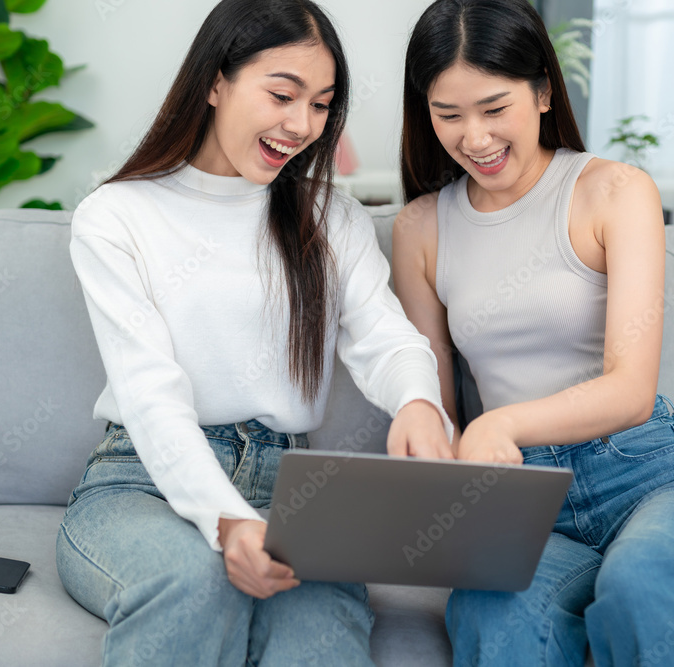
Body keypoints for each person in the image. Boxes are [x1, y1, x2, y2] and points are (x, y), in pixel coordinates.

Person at [56, 1, 454, 664]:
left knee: (320, 639)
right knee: (192, 579)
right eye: (281, 94)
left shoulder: (331, 216)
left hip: (291, 489)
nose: (301, 124)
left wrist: (418, 400)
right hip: (141, 482)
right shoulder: (115, 216)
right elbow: (150, 394)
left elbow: (387, 337)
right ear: (216, 82)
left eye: (322, 104)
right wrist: (225, 519)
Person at [393, 1, 674, 665]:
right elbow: (434, 409)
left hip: (645, 473)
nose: (474, 137)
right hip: (521, 501)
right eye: (449, 114)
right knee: (487, 606)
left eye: (494, 108)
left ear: (544, 91)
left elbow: (630, 388)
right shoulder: (419, 228)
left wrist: (501, 425)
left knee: (641, 585)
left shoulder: (615, 190)